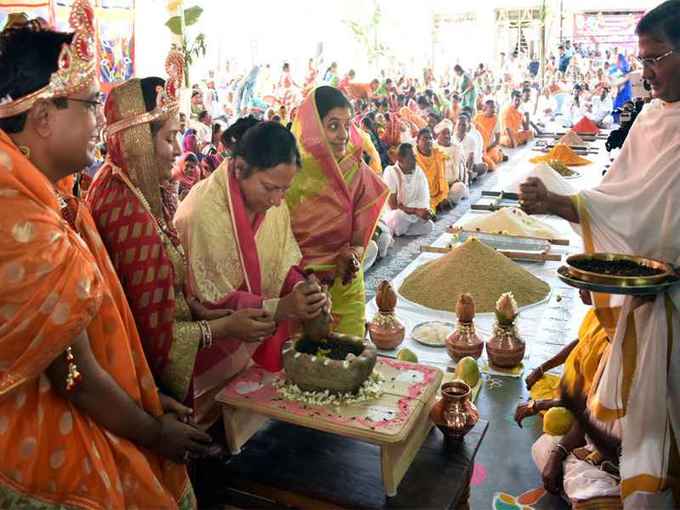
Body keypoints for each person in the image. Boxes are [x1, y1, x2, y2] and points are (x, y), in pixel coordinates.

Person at [0, 6, 209, 507]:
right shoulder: (24, 225)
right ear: (45, 116)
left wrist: (147, 398)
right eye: (92, 104)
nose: (101, 120)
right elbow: (74, 375)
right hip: (32, 433)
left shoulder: (48, 197)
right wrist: (152, 430)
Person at [520, 2, 680, 505]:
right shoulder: (654, 116)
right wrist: (594, 247)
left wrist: (563, 204)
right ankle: (591, 459)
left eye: (656, 58)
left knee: (651, 413)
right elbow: (618, 199)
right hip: (635, 284)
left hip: (668, 298)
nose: (646, 71)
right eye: (643, 59)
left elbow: (652, 219)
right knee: (592, 365)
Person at [174, 122, 328, 427]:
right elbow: (210, 303)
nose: (277, 200)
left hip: (255, 340)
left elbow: (284, 262)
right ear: (240, 167)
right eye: (270, 188)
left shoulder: (273, 202)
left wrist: (304, 288)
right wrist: (282, 308)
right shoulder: (204, 211)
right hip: (211, 351)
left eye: (285, 189)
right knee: (214, 434)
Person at [285, 86, 388, 338]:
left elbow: (358, 241)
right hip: (299, 292)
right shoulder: (288, 174)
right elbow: (273, 246)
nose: (343, 134)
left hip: (345, 286)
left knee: (348, 363)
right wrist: (303, 282)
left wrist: (352, 254)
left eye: (347, 124)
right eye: (333, 126)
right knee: (300, 369)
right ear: (312, 128)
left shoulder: (356, 171)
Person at [382, 143, 434, 237]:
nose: (415, 160)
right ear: (401, 159)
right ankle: (398, 230)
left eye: (415, 157)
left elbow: (423, 198)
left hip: (413, 215)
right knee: (398, 216)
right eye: (412, 158)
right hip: (397, 215)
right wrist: (415, 211)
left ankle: (401, 231)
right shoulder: (391, 172)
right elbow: (393, 206)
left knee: (429, 226)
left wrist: (425, 211)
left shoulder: (418, 172)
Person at [414, 127, 450, 211]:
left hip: (438, 194)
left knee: (460, 189)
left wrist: (443, 196)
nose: (429, 141)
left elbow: (443, 180)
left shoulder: (438, 154)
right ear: (417, 141)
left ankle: (439, 203)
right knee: (428, 214)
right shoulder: (412, 158)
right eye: (425, 138)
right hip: (421, 197)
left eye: (430, 138)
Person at [433, 119, 468, 200]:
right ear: (437, 135)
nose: (446, 136)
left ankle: (446, 200)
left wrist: (459, 180)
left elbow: (461, 168)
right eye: (443, 133)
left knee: (460, 187)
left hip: (452, 184)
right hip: (436, 185)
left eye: (448, 133)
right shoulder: (433, 147)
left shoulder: (456, 148)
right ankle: (441, 200)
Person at [473, 100, 505, 170]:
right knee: (482, 159)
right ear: (485, 108)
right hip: (478, 146)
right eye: (491, 107)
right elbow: (472, 133)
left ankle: (499, 153)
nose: (494, 110)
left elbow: (497, 141)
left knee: (493, 159)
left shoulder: (495, 119)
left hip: (489, 147)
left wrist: (487, 148)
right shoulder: (477, 117)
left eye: (495, 107)